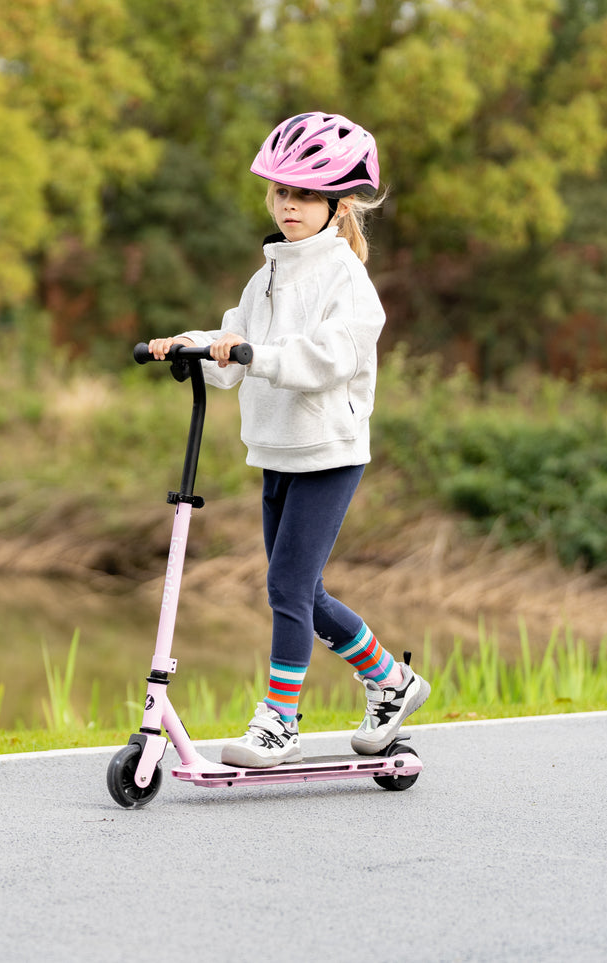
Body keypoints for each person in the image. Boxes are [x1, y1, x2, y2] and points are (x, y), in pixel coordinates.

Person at [147, 111, 430, 768]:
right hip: (274, 449)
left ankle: (279, 720)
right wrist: (189, 346)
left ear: (338, 204)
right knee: (299, 588)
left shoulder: (348, 284)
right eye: (281, 192)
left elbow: (322, 359)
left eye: (302, 194)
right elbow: (232, 351)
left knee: (286, 585)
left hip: (327, 452)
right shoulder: (266, 274)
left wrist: (253, 353)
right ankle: (390, 681)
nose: (288, 205)